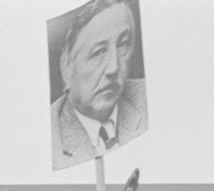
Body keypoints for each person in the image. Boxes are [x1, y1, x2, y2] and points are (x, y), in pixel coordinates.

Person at [51, 0, 147, 170]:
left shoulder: (147, 100)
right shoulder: (52, 136)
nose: (113, 68)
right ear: (66, 66)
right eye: (98, 52)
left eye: (123, 44)